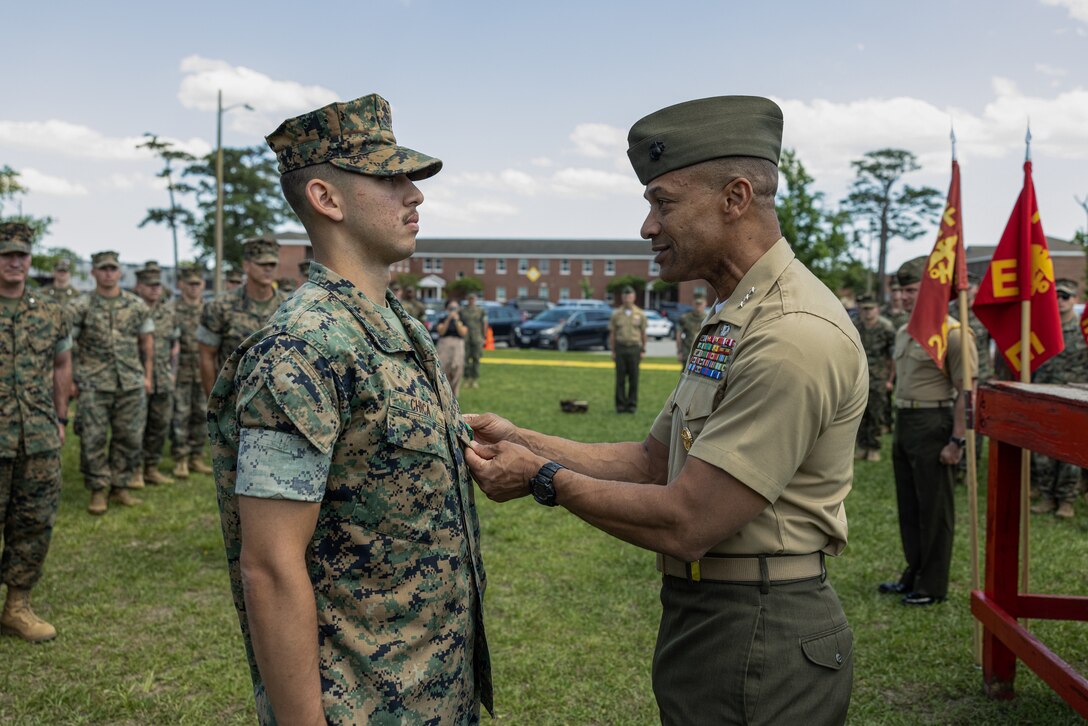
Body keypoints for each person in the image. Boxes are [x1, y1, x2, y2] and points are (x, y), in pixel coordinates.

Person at [466, 96, 863, 725]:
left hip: (761, 622)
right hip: (714, 615)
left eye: (663, 202)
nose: (648, 226)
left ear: (735, 198)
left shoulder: (790, 333)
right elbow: (654, 462)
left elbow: (689, 519)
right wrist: (522, 437)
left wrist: (540, 479)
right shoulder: (736, 314)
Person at [208, 93, 491, 724]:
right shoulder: (301, 349)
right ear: (326, 199)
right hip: (358, 703)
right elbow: (270, 566)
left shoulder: (398, 325)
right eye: (391, 179)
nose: (414, 195)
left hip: (432, 687)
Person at [879, 256, 976, 606]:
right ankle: (914, 570)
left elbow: (967, 394)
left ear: (931, 290)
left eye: (911, 290)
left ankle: (932, 585)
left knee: (935, 509)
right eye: (899, 290)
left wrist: (957, 440)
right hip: (906, 421)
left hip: (935, 424)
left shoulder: (953, 334)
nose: (902, 297)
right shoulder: (906, 331)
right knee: (910, 505)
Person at [0, 222, 71, 642]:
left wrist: (60, 420)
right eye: (6, 254)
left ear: (29, 259)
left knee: (33, 522)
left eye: (20, 255)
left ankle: (17, 606)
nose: (13, 261)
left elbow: (62, 366)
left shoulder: (48, 311)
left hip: (38, 436)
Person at [69, 251, 154, 514]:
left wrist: (147, 375)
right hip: (94, 382)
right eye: (102, 268)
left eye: (112, 268)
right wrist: (72, 379)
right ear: (93, 272)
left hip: (130, 381)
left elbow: (146, 343)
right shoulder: (80, 306)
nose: (108, 273)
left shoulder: (136, 305)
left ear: (120, 272)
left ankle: (120, 486)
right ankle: (97, 489)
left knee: (128, 436)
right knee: (92, 438)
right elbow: (67, 346)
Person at [197, 237, 286, 398]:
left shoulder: (289, 306)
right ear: (246, 265)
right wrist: (215, 403)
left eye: (272, 265)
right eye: (262, 264)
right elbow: (207, 356)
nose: (268, 269)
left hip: (277, 402)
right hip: (234, 401)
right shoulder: (220, 306)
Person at [1030, 279, 1087, 519]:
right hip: (1045, 394)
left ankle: (1067, 501)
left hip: (1073, 398)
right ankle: (1047, 496)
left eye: (1066, 297)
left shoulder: (1083, 331)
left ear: (1075, 300)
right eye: (1056, 296)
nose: (1060, 301)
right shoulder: (1041, 328)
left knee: (1071, 453)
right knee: (1043, 450)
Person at [133, 263, 178, 487]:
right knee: (136, 427)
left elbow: (175, 345)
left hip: (163, 375)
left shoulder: (168, 311)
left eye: (157, 285)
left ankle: (151, 467)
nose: (154, 289)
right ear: (139, 286)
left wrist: (173, 373)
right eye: (149, 285)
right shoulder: (132, 309)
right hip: (136, 376)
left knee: (159, 424)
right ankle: (134, 471)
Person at [170, 267, 210, 479]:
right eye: (190, 284)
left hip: (203, 371)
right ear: (181, 285)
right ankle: (181, 459)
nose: (194, 288)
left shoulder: (209, 310)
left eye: (198, 283)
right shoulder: (173, 311)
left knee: (201, 414)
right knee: (180, 416)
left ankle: (196, 456)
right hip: (182, 372)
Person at [853, 294, 896, 462]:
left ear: (877, 309)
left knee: (876, 413)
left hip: (879, 377)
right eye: (864, 309)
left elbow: (893, 356)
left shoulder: (886, 327)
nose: (867, 312)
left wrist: (890, 380)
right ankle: (862, 446)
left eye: (871, 309)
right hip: (859, 377)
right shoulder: (855, 326)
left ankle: (874, 447)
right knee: (859, 413)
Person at [609, 285, 647, 413]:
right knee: (620, 378)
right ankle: (620, 405)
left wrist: (643, 350)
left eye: (630, 296)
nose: (627, 299)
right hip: (620, 348)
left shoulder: (640, 314)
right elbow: (613, 333)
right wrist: (613, 351)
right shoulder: (616, 314)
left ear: (634, 297)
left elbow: (643, 333)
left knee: (633, 378)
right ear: (622, 298)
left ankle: (632, 405)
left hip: (634, 348)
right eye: (625, 296)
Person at [436, 298, 468, 396]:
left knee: (457, 367)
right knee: (443, 368)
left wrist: (457, 320)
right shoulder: (442, 319)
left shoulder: (462, 319)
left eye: (455, 308)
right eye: (451, 308)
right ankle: (443, 392)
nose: (453, 310)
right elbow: (441, 331)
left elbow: (463, 332)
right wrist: (448, 319)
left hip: (458, 344)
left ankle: (454, 394)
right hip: (444, 344)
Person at [460, 293, 488, 389]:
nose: (471, 300)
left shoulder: (480, 311)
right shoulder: (463, 311)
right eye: (470, 299)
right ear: (467, 299)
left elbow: (484, 323)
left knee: (476, 358)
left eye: (473, 299)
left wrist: (484, 337)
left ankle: (474, 379)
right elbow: (459, 323)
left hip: (477, 337)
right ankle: (466, 379)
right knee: (465, 359)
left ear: (475, 299)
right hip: (466, 338)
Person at [674, 293, 706, 362]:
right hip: (687, 351)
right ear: (693, 304)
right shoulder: (685, 318)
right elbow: (678, 335)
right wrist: (679, 351)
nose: (698, 306)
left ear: (705, 304)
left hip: (703, 353)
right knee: (684, 372)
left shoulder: (708, 319)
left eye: (700, 304)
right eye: (696, 304)